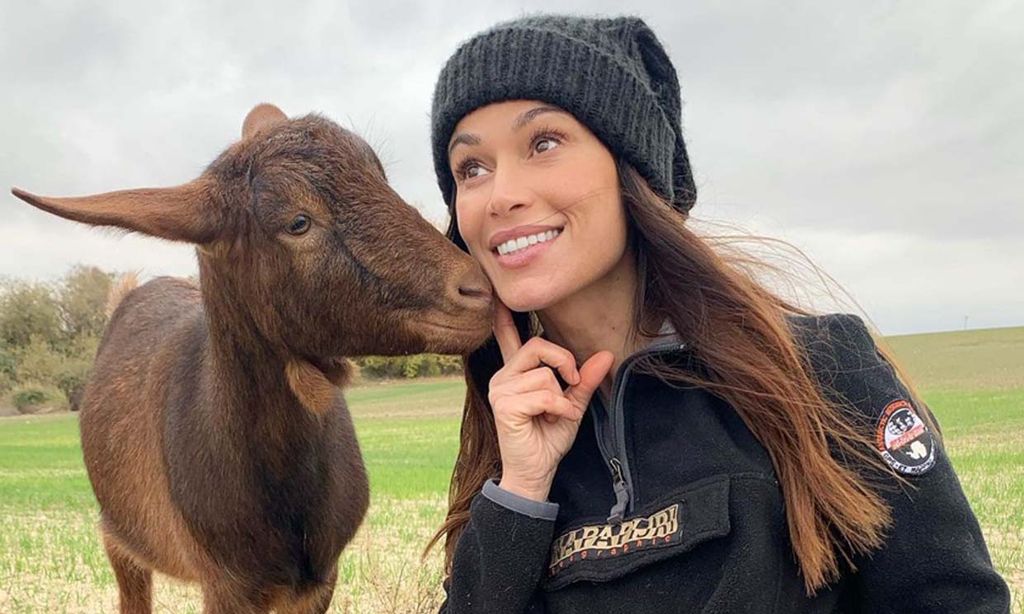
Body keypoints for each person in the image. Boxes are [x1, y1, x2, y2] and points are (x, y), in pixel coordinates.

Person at [424, 14, 1011, 613]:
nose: (500, 195)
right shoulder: (513, 441)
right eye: (471, 168)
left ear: (633, 169)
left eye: (543, 143)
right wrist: (521, 491)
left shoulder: (817, 374)